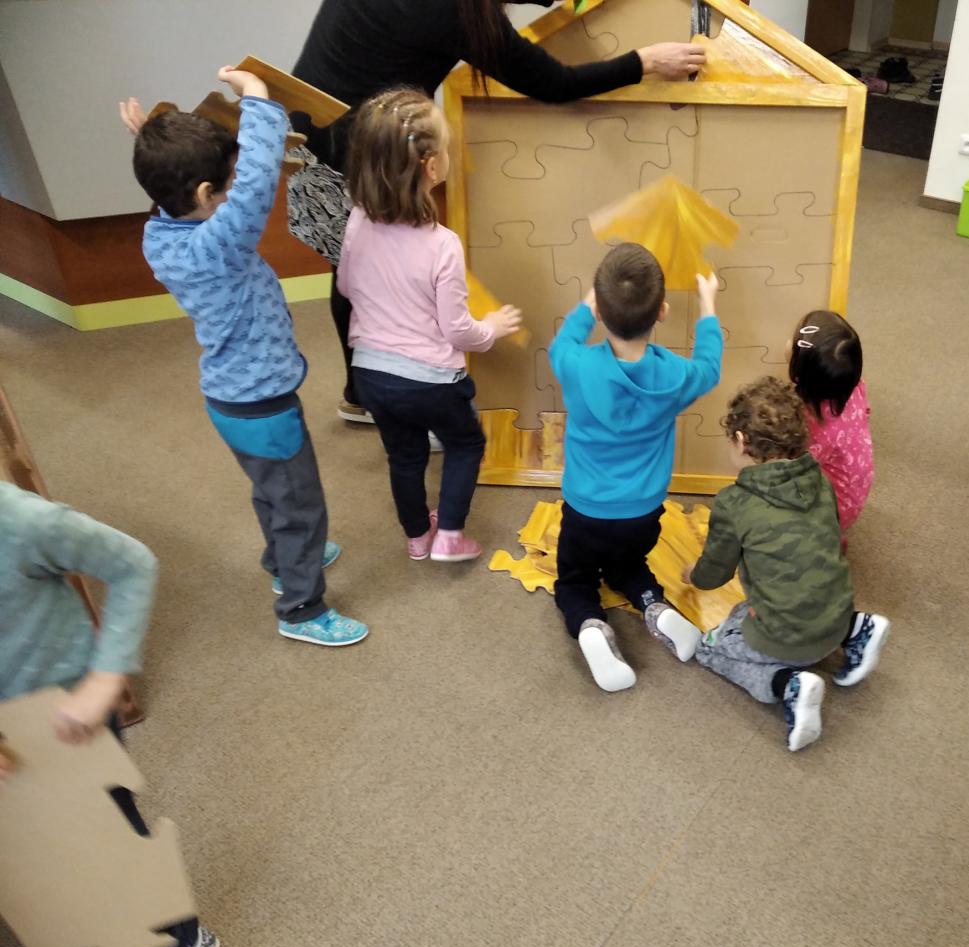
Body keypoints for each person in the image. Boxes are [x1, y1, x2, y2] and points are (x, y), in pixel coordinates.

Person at [288, 0, 708, 424]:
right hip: (343, 147)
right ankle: (383, 399)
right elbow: (553, 82)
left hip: (318, 125)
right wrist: (644, 62)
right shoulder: (451, 11)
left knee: (355, 264)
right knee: (370, 274)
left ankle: (365, 394)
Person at [122, 68, 368, 647]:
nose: (235, 191)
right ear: (205, 195)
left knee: (270, 488)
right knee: (301, 506)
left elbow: (172, 178)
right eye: (225, 187)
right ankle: (301, 608)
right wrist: (258, 102)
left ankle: (281, 558)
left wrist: (147, 135)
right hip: (264, 403)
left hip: (230, 398)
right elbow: (258, 179)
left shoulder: (160, 232)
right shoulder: (219, 244)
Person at [0, 480, 218, 947]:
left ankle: (179, 941)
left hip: (64, 720)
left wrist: (105, 677)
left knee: (107, 833)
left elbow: (132, 564)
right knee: (30, 845)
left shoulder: (18, 520)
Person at [337, 88, 523, 561]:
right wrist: (492, 328)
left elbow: (346, 286)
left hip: (371, 373)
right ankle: (451, 536)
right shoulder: (443, 244)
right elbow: (457, 331)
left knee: (404, 455)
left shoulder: (357, 219)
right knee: (466, 443)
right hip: (432, 382)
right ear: (432, 167)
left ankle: (418, 537)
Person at [548, 245, 721, 692]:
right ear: (662, 311)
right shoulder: (676, 376)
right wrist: (707, 306)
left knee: (574, 582)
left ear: (601, 313)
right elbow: (710, 367)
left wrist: (586, 307)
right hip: (642, 513)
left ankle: (590, 627)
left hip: (585, 511)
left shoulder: (576, 366)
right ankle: (655, 608)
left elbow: (560, 344)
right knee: (629, 565)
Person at [686, 377, 890, 752]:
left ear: (741, 442)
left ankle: (787, 685)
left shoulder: (734, 503)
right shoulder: (822, 481)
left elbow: (714, 574)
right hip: (836, 614)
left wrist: (692, 575)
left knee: (710, 648)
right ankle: (856, 628)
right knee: (766, 603)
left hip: (786, 638)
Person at [788, 310, 889, 685]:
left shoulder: (815, 426)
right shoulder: (853, 384)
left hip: (831, 505)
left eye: (794, 344)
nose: (789, 343)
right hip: (855, 487)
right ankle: (832, 542)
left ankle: (854, 629)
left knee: (788, 556)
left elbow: (790, 469)